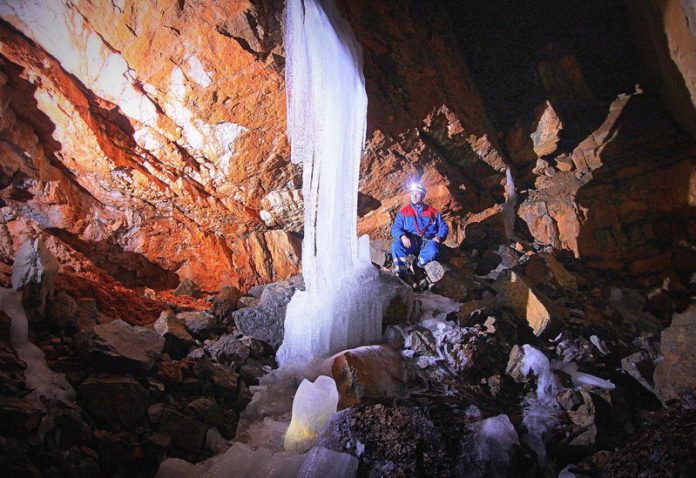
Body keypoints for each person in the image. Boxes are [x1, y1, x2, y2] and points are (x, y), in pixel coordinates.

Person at [391, 182, 449, 286]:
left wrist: (439, 237)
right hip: (411, 241)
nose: (414, 196)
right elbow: (396, 228)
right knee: (396, 245)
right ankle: (402, 274)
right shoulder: (404, 212)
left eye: (417, 194)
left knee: (433, 249)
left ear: (423, 195)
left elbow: (444, 226)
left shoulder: (433, 212)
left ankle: (417, 265)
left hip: (427, 242)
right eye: (412, 193)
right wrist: (402, 236)